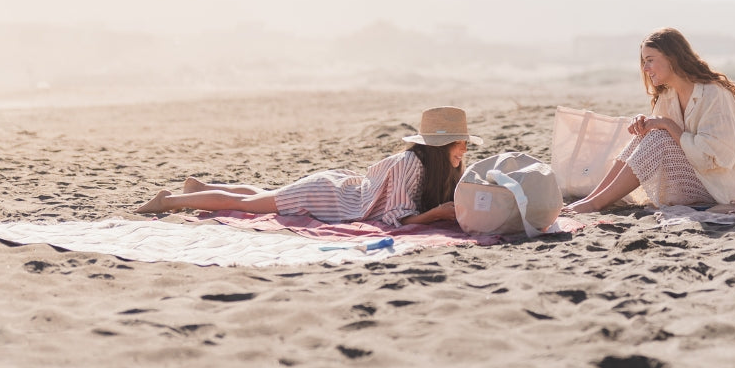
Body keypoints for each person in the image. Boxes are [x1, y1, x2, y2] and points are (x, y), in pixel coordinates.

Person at [133, 106, 480, 226]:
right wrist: (436, 215)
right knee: (247, 205)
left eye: (464, 142)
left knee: (268, 196)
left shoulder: (449, 166)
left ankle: (200, 189)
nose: (464, 148)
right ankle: (169, 200)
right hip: (327, 197)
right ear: (438, 147)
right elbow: (397, 218)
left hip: (341, 189)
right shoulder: (411, 164)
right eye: (459, 143)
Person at [567, 28, 735, 213]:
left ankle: (595, 204)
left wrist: (667, 124)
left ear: (672, 58)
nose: (645, 68)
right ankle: (592, 199)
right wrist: (647, 123)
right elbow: (658, 134)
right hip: (700, 177)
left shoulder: (714, 94)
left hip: (725, 186)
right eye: (644, 62)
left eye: (650, 60)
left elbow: (715, 158)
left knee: (659, 136)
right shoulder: (669, 95)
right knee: (648, 135)